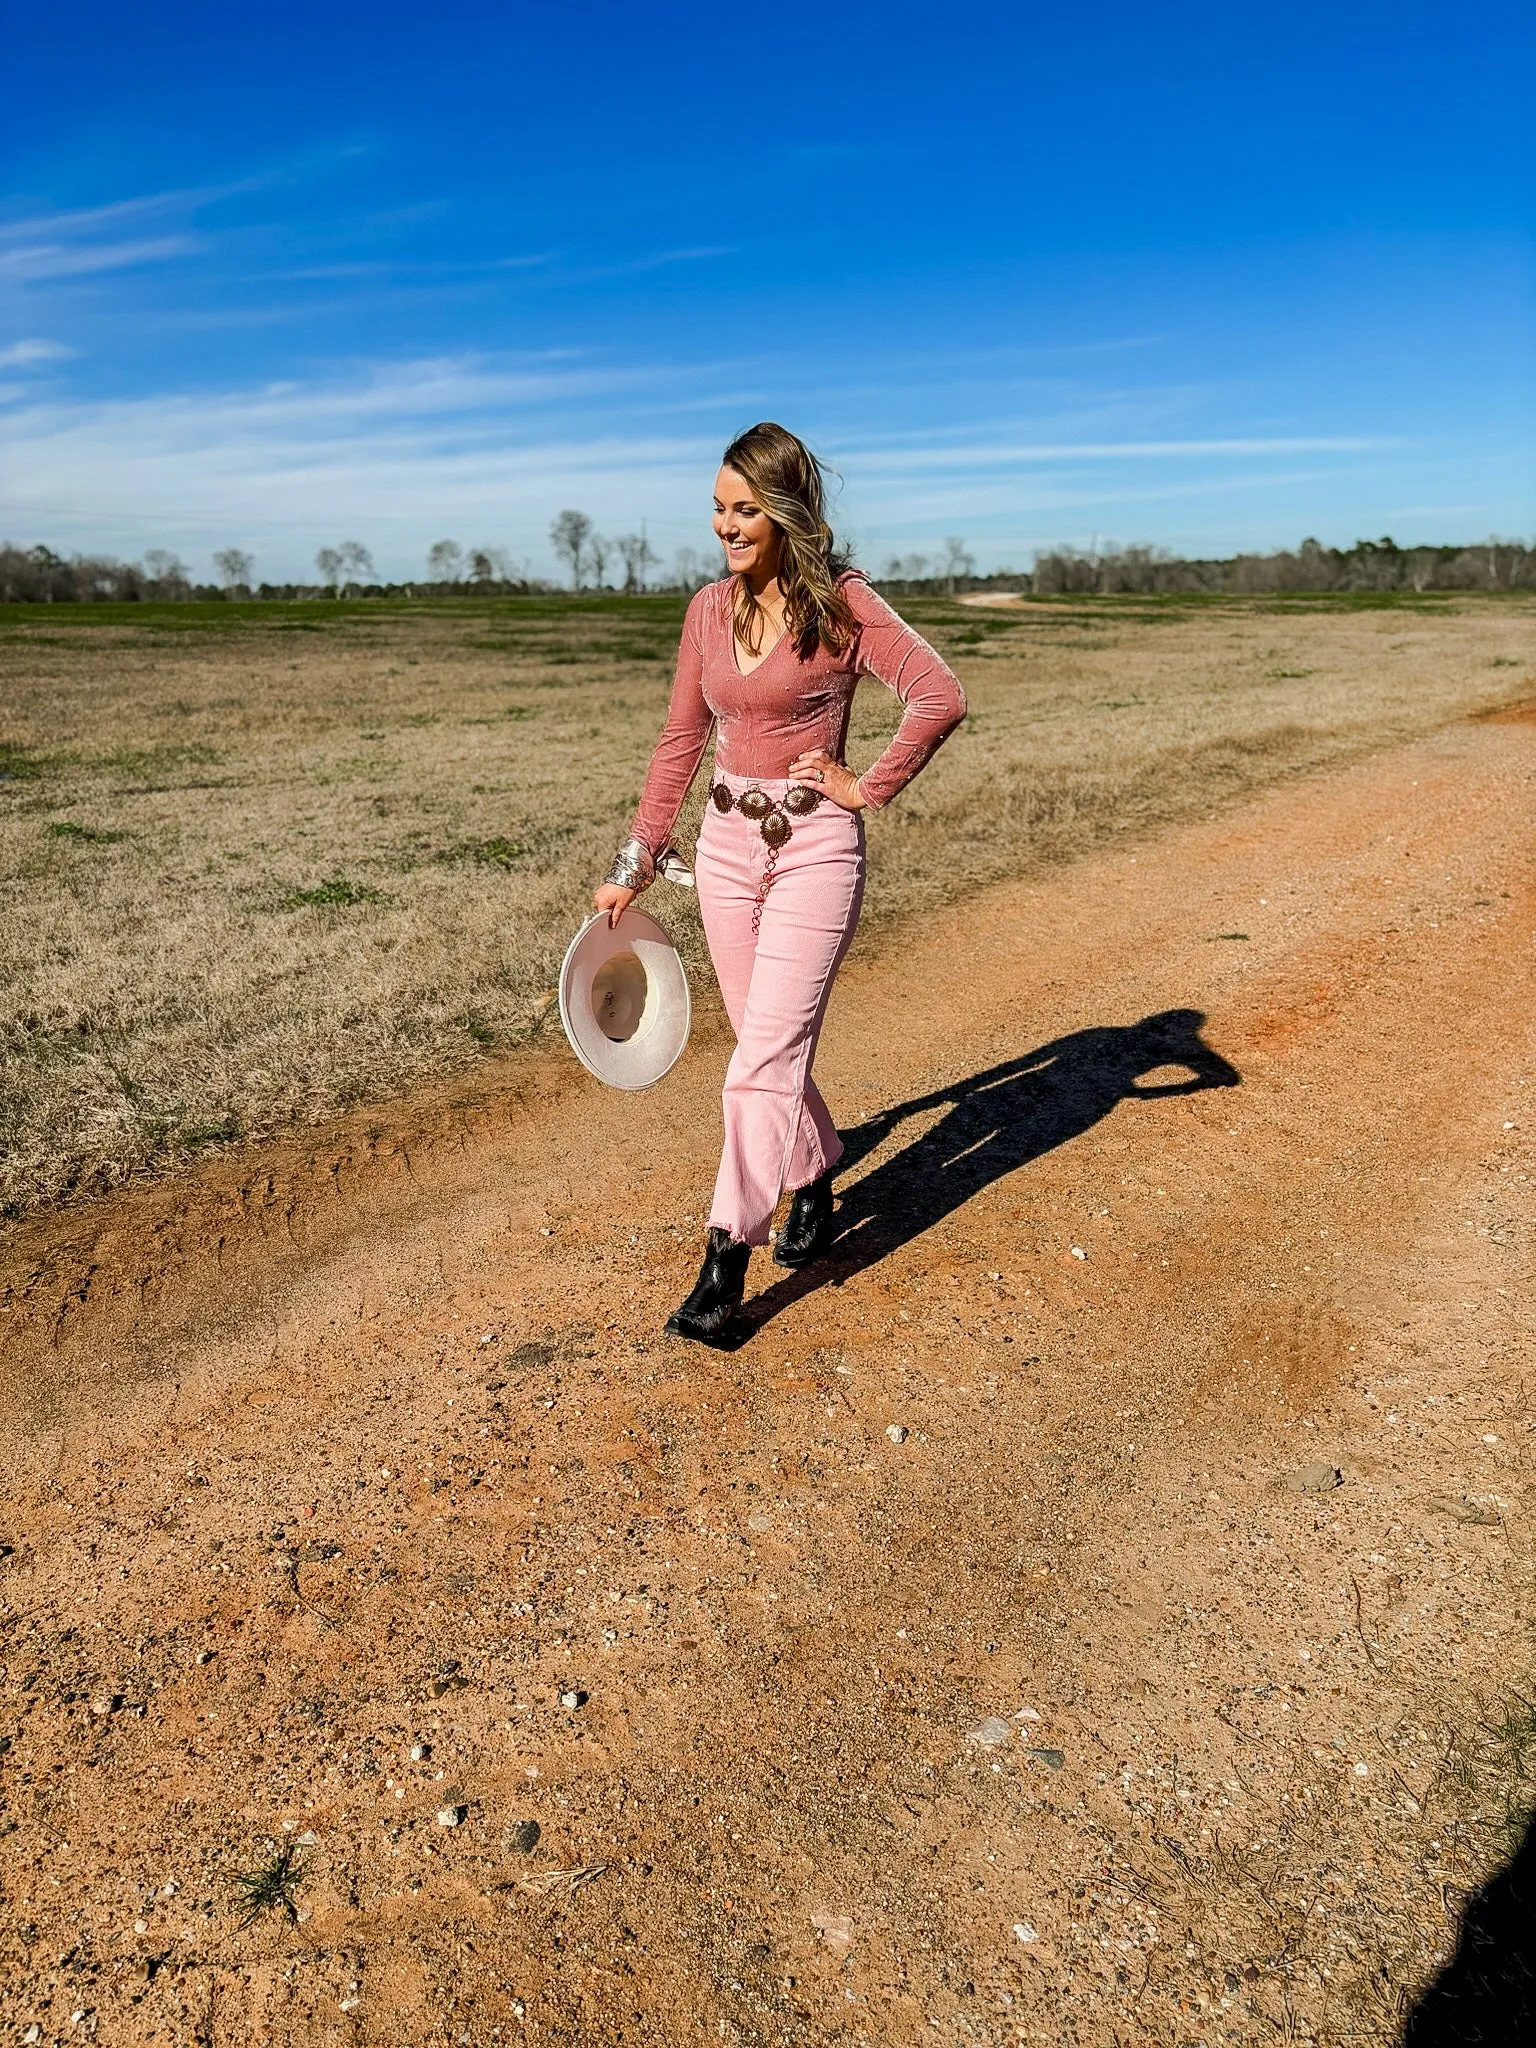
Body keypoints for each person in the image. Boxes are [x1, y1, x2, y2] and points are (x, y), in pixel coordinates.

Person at [595, 422, 966, 1344]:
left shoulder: (841, 602)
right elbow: (681, 740)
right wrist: (636, 861)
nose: (726, 526)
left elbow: (939, 694)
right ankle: (816, 1169)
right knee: (767, 1043)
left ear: (788, 510)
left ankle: (725, 1259)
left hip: (814, 850)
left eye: (745, 509)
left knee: (760, 1059)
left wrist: (866, 785)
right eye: (718, 508)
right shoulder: (706, 612)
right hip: (724, 847)